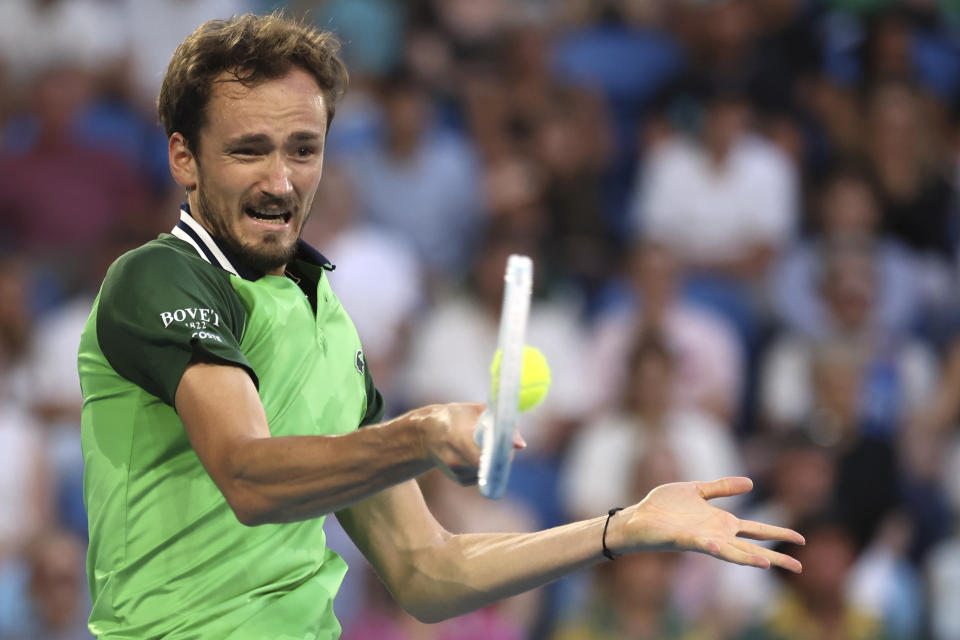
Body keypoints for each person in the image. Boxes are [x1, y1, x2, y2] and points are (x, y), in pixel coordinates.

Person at [77, 12, 805, 639]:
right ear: (185, 158)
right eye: (248, 150)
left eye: (303, 148)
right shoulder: (158, 276)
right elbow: (247, 475)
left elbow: (426, 570)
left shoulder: (324, 318)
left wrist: (622, 529)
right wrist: (420, 435)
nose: (282, 180)